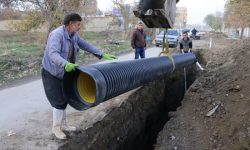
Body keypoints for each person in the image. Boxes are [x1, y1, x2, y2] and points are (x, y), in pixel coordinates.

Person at [41, 13, 117, 140]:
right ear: (70, 24)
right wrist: (65, 64)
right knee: (58, 101)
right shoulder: (57, 35)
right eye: (78, 24)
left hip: (64, 72)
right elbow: (53, 54)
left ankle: (63, 125)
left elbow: (85, 45)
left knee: (64, 98)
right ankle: (56, 128)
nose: (79, 27)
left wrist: (101, 54)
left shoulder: (73, 35)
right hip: (52, 73)